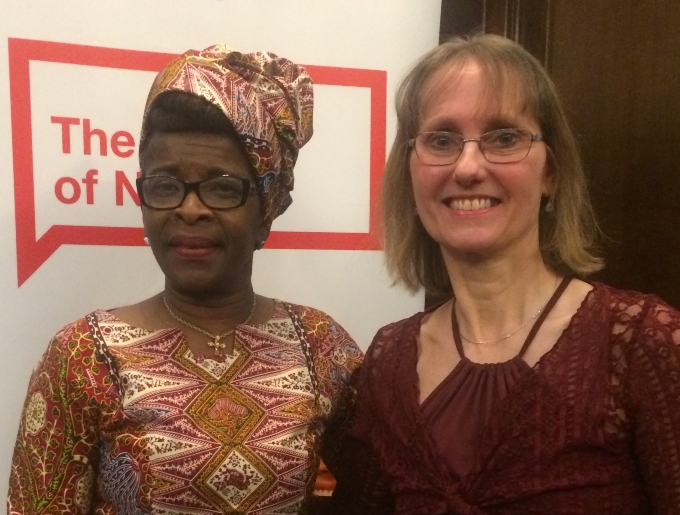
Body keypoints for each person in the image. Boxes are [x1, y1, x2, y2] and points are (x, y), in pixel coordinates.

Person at [327, 34, 680, 514]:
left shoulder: (640, 343)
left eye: (504, 138)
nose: (468, 167)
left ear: (551, 171)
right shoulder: (389, 361)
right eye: (441, 140)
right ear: (410, 175)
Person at [8, 44, 362, 514]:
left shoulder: (321, 346)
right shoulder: (82, 358)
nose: (189, 209)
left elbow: (380, 493)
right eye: (166, 185)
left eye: (221, 187)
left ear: (266, 207)